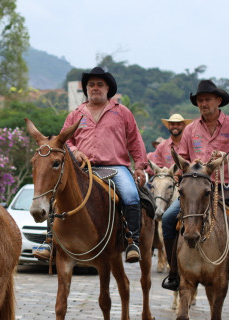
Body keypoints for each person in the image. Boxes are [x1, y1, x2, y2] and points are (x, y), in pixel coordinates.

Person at [33, 66, 148, 263]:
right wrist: (75, 151)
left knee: (131, 195)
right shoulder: (75, 114)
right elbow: (62, 141)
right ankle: (50, 242)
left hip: (116, 167)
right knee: (57, 195)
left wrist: (139, 166)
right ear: (86, 89)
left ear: (108, 89)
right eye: (91, 85)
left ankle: (132, 242)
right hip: (83, 168)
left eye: (99, 85)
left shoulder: (122, 112)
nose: (95, 88)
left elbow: (135, 141)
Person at [161, 80, 229, 291]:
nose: (203, 103)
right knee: (168, 218)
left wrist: (228, 158)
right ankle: (174, 272)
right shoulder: (190, 130)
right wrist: (184, 170)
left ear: (218, 101)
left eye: (207, 99)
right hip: (197, 191)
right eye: (200, 100)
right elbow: (183, 159)